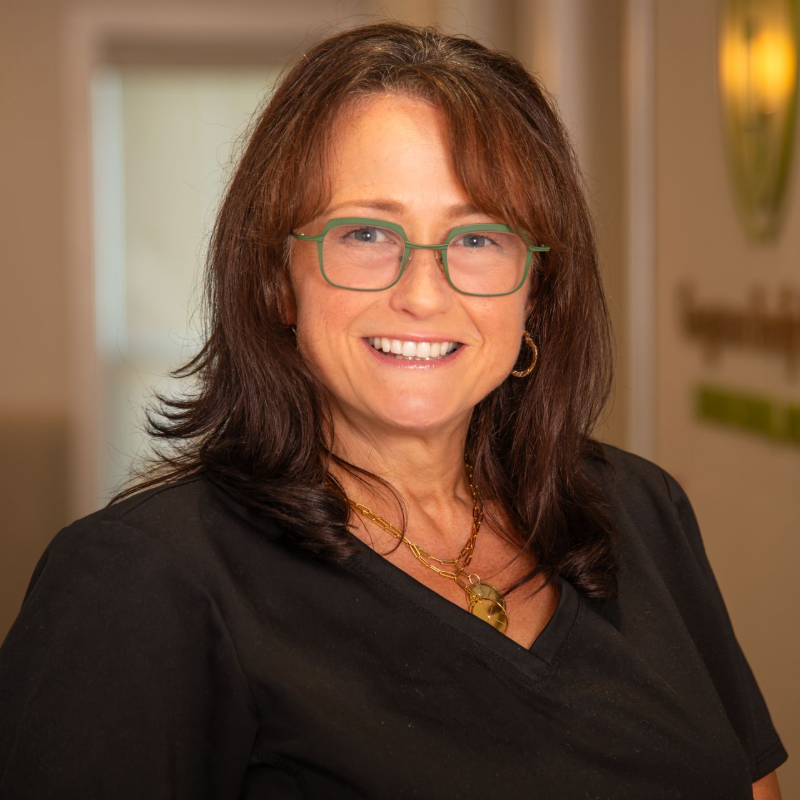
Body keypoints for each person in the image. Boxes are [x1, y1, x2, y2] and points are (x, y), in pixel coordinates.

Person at [0, 21, 788, 800]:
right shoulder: (139, 585)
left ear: (535, 291)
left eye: (478, 238)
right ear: (279, 279)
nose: (421, 293)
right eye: (367, 233)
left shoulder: (639, 509)